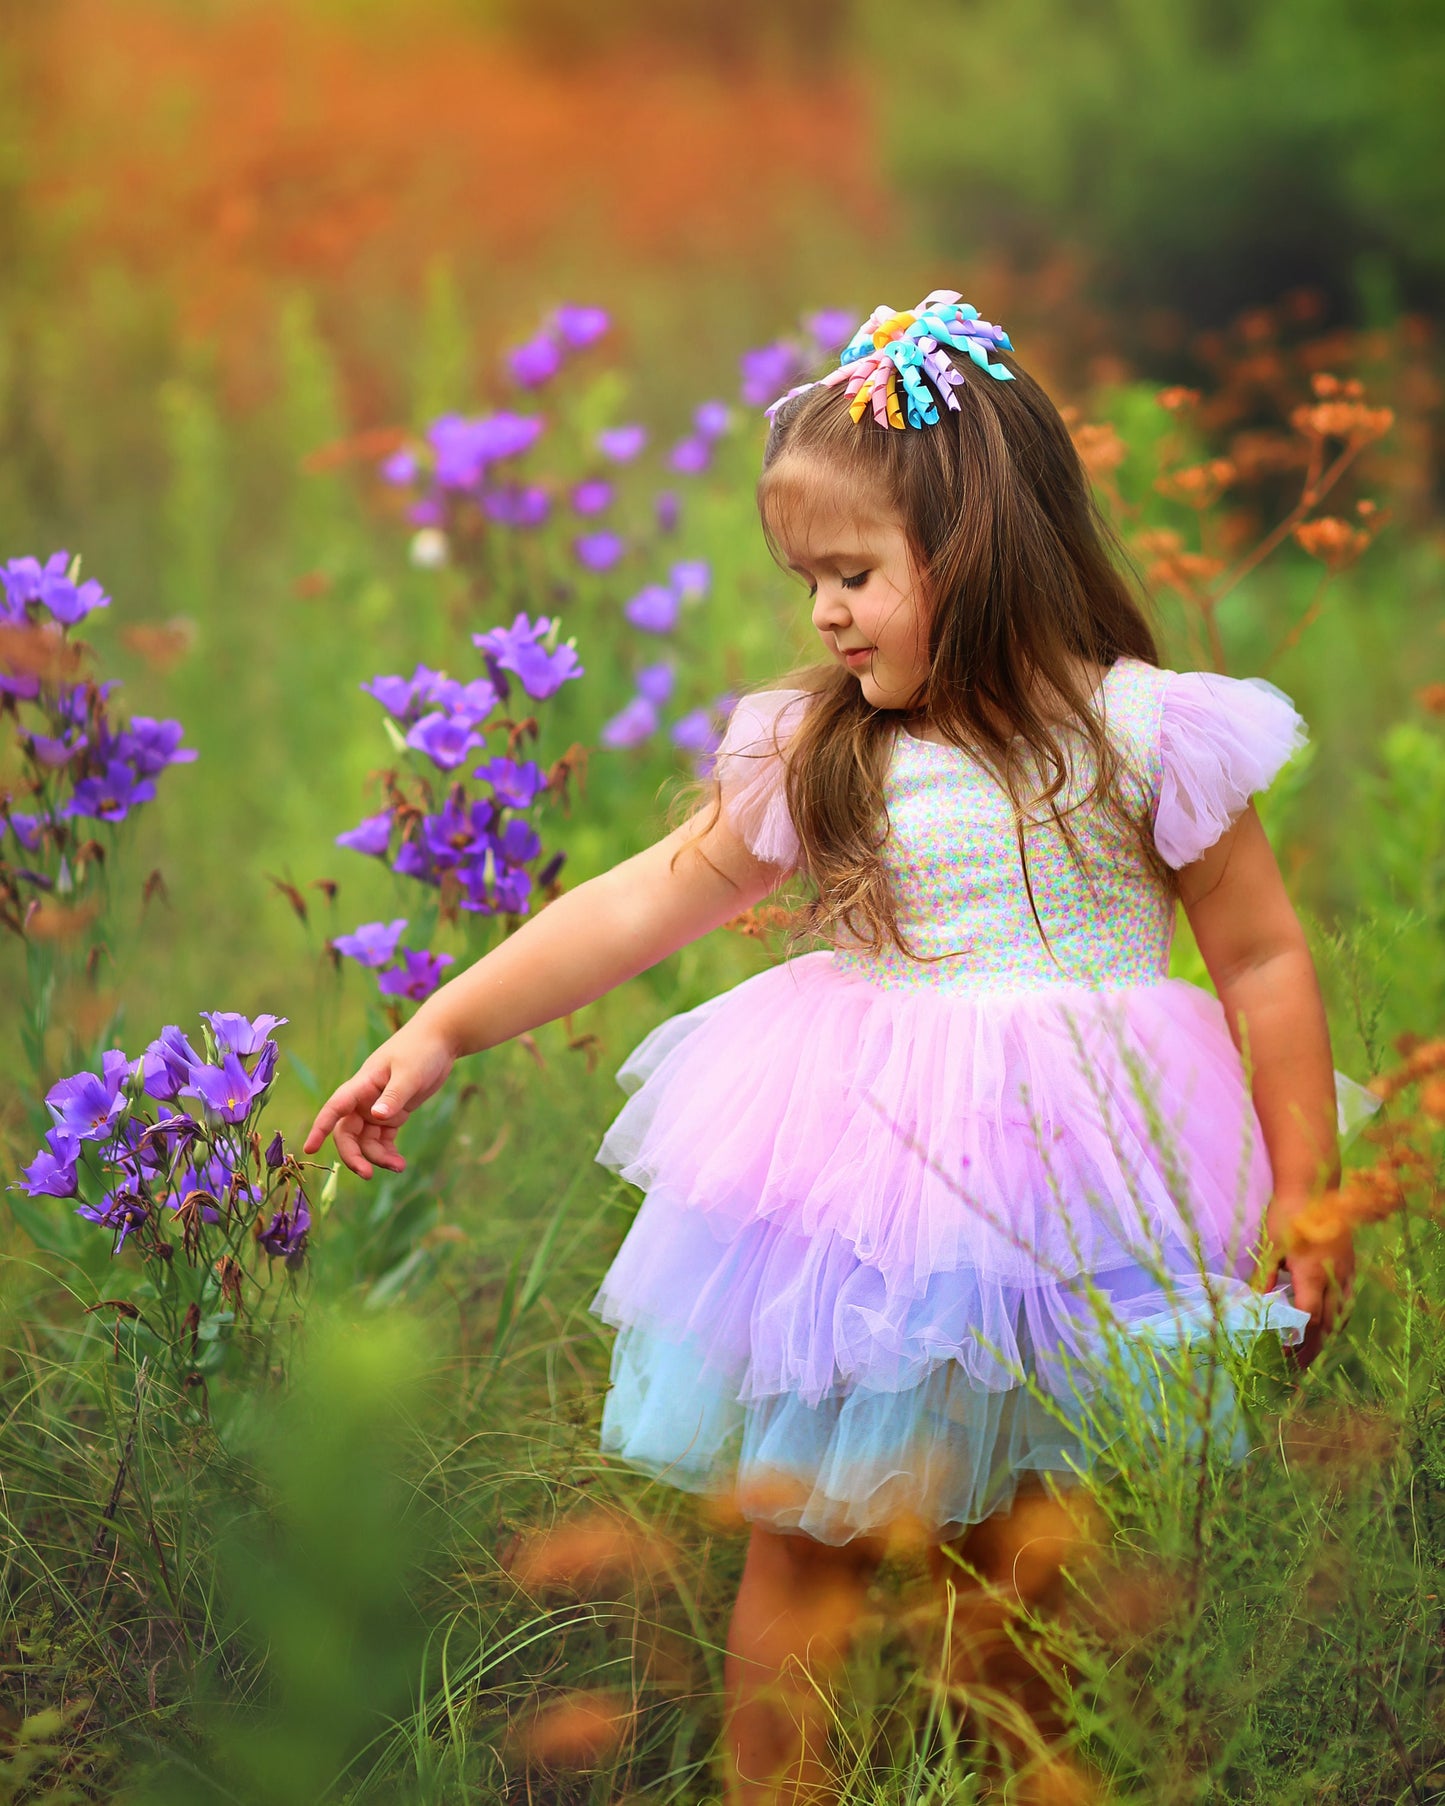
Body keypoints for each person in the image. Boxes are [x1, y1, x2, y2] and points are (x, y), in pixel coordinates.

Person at [304, 292, 1350, 1801]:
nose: (823, 614)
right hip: (866, 1192)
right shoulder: (826, 745)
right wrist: (441, 1022)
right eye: (808, 579)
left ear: (979, 550)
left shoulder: (1145, 733)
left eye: (852, 573)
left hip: (1083, 1192)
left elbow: (1258, 959)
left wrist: (1301, 1188)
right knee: (802, 1531)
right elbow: (633, 909)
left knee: (1027, 1558)